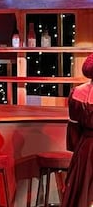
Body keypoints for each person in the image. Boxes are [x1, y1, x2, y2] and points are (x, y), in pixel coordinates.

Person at [62, 54, 93, 207]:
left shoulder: (77, 93)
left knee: (82, 192)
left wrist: (78, 148)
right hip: (87, 148)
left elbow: (74, 128)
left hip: (86, 148)